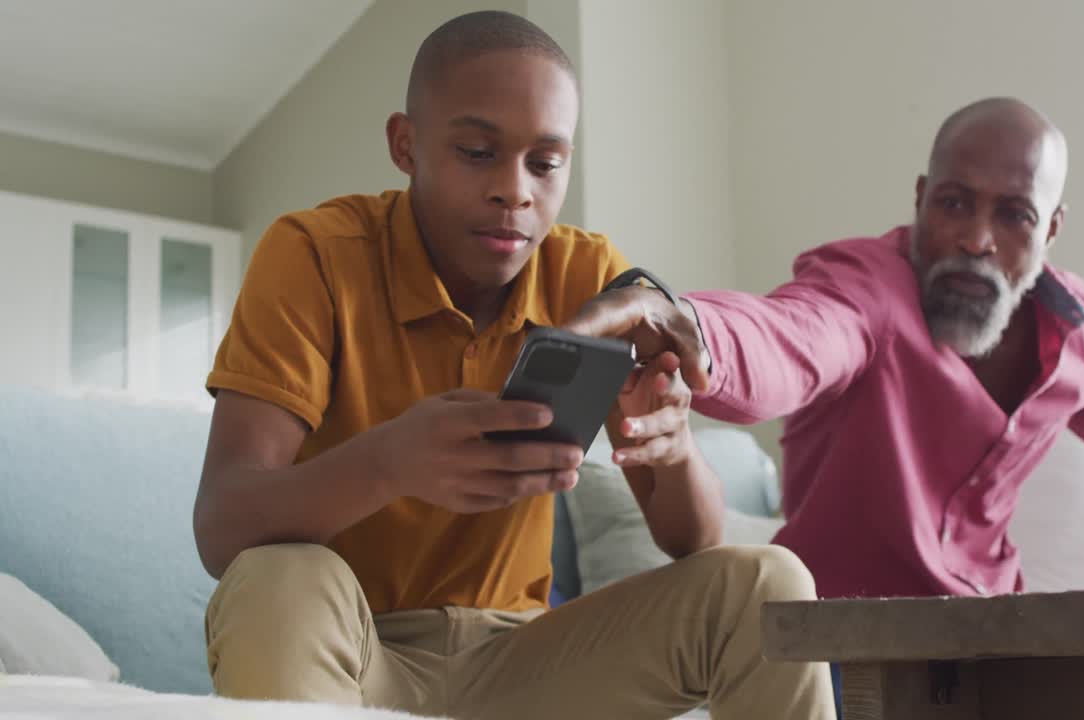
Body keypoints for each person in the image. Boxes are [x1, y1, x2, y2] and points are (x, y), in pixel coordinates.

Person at [193, 10, 834, 720]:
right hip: (352, 651)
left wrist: (675, 448)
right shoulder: (312, 255)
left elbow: (692, 544)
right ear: (405, 145)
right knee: (278, 574)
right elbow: (223, 527)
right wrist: (388, 464)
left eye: (546, 162)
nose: (515, 191)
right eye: (476, 151)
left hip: (526, 666)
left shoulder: (591, 276)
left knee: (767, 581)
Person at [567, 97, 1084, 602]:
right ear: (920, 198)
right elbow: (795, 336)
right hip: (840, 642)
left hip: (996, 637)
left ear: (1052, 230)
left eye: (1014, 214)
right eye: (954, 202)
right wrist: (694, 328)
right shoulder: (866, 288)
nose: (976, 238)